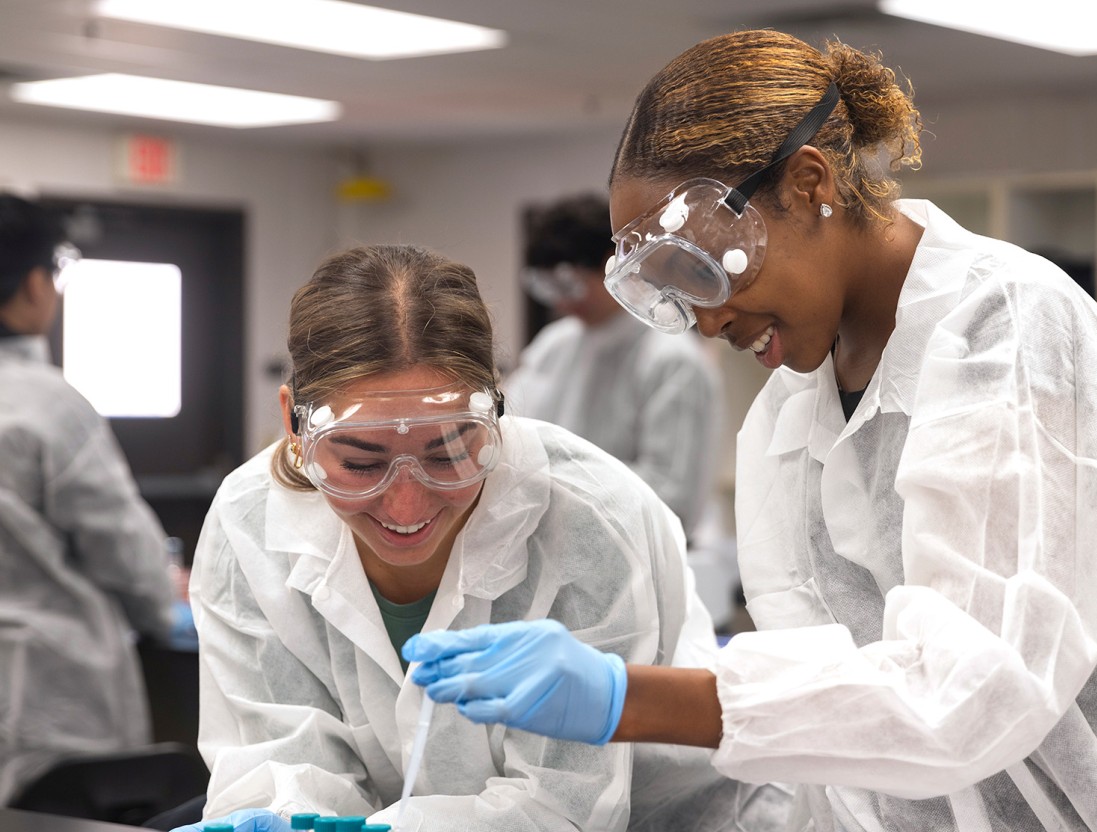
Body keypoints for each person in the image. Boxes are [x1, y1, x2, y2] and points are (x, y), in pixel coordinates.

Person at [403, 29, 1097, 831]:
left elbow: (970, 694)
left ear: (809, 184)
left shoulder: (1007, 326)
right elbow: (821, 693)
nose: (704, 323)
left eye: (704, 273)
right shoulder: (789, 404)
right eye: (671, 295)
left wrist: (625, 697)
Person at [179, 244, 788, 832]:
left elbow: (563, 808)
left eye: (448, 454)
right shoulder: (250, 520)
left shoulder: (589, 517)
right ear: (293, 422)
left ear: (495, 415)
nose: (406, 505)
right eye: (362, 463)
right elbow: (278, 758)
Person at [0, 193, 177, 804]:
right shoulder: (44, 406)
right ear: (32, 284)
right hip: (44, 704)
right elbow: (125, 552)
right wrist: (164, 601)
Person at [504, 193, 723, 540]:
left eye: (571, 284)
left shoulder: (670, 359)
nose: (562, 301)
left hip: (635, 555)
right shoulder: (555, 344)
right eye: (548, 288)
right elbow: (510, 436)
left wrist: (553, 492)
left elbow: (673, 497)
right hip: (549, 544)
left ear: (612, 264)